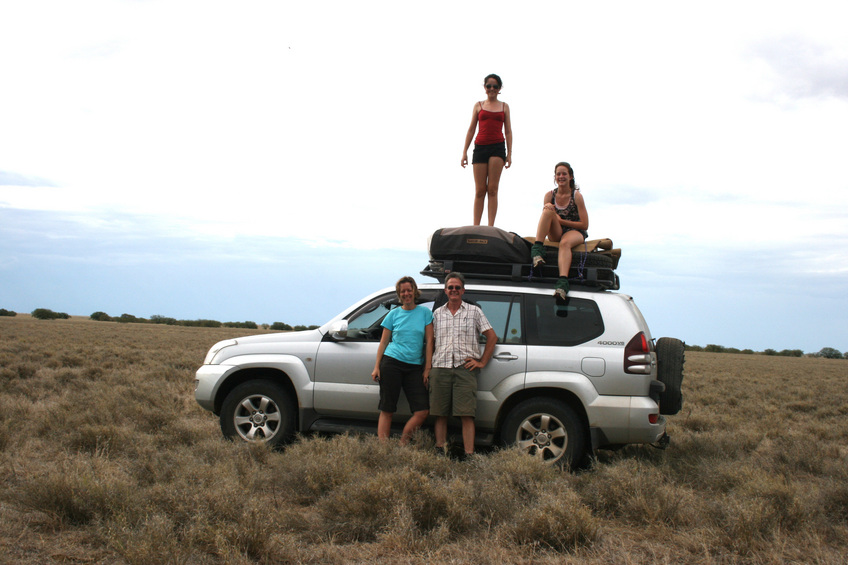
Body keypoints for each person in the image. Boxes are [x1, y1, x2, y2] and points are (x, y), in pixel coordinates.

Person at [427, 272, 497, 458]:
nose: (454, 290)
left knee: (467, 415)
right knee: (440, 414)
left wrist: (482, 361)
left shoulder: (474, 312)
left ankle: (469, 454)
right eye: (450, 287)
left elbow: (492, 336)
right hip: (440, 367)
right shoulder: (437, 314)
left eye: (457, 287)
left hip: (464, 369)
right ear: (445, 290)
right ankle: (440, 450)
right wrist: (428, 368)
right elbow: (431, 342)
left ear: (463, 290)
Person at [371, 276, 434, 445]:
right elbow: (384, 342)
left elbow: (429, 343)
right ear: (399, 294)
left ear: (414, 291)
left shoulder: (425, 313)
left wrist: (427, 368)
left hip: (414, 367)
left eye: (409, 290)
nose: (406, 293)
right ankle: (383, 448)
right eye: (402, 291)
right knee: (387, 408)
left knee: (422, 411)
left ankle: (402, 444)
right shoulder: (393, 314)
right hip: (392, 363)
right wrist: (377, 367)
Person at [529, 162, 589, 304]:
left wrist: (561, 221)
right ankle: (537, 250)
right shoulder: (550, 195)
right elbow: (548, 218)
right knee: (547, 208)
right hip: (557, 230)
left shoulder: (577, 196)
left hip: (575, 230)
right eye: (558, 174)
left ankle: (562, 284)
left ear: (571, 177)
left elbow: (585, 224)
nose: (561, 177)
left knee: (565, 243)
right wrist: (556, 219)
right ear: (555, 177)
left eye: (564, 174)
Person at [461, 73, 513, 227]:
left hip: (497, 147)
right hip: (480, 147)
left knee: (492, 189)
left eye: (495, 86)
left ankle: (491, 227)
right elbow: (471, 129)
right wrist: (464, 152)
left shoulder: (504, 106)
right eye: (489, 86)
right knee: (479, 190)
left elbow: (508, 131)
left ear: (499, 89)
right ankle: (476, 226)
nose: (491, 89)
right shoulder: (479, 105)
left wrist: (509, 154)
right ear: (484, 88)